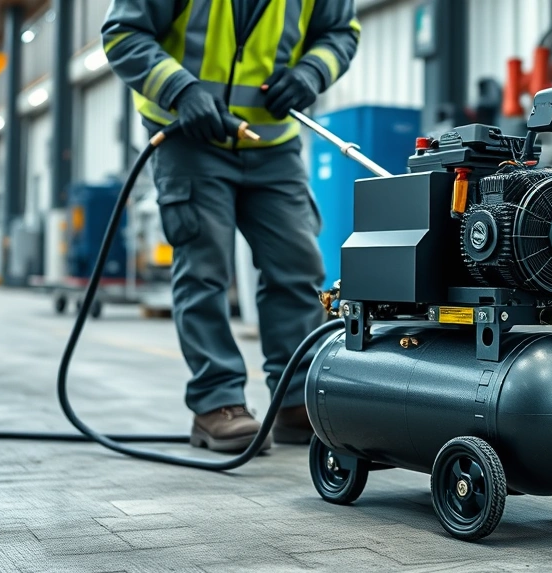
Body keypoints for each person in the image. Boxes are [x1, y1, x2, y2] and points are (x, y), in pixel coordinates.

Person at [102, 0, 360, 452]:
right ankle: (216, 402)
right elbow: (123, 34)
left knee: (296, 266)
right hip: (189, 135)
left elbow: (340, 32)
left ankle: (296, 399)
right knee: (205, 269)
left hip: (272, 141)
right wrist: (180, 89)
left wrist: (310, 74)